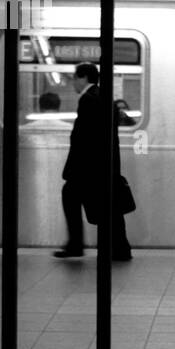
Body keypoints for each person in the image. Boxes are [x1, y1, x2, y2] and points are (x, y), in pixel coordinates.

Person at [54, 62, 133, 260]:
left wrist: (72, 170)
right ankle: (120, 248)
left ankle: (76, 245)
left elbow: (82, 138)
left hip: (90, 168)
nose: (73, 83)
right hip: (102, 166)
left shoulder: (88, 100)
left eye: (74, 78)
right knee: (110, 207)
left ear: (83, 78)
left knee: (70, 194)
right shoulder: (106, 98)